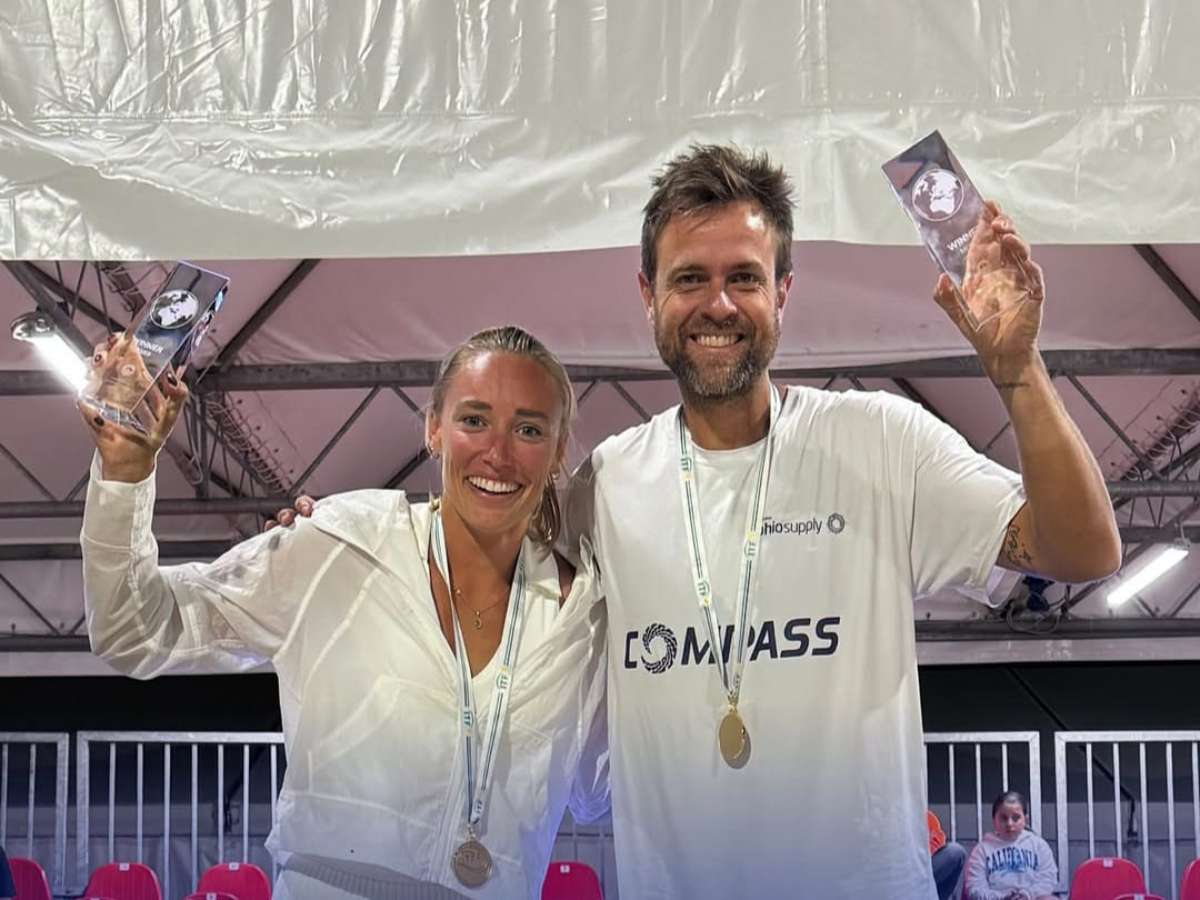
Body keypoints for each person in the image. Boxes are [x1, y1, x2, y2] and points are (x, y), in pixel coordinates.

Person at [281, 144, 1121, 897]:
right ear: (648, 294)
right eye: (689, 279)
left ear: (783, 292)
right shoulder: (604, 486)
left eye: (743, 278)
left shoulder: (881, 443)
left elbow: (1083, 548)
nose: (716, 303)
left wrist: (1019, 373)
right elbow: (479, 564)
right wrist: (346, 545)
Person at [80, 326, 609, 900]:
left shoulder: (582, 616)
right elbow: (135, 629)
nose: (498, 454)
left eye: (528, 429)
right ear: (434, 429)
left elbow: (595, 790)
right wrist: (125, 475)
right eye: (474, 420)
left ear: (559, 450)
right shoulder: (341, 544)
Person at [964, 791, 1057, 900]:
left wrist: (1028, 894)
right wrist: (1002, 897)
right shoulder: (981, 850)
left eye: (1016, 818)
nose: (1009, 823)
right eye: (1003, 818)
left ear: (1025, 820)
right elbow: (975, 888)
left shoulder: (1039, 846)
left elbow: (1048, 879)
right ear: (994, 820)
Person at [929, 809, 967, 900]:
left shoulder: (927, 818)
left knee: (955, 851)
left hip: (924, 870)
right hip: (901, 876)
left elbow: (938, 845)